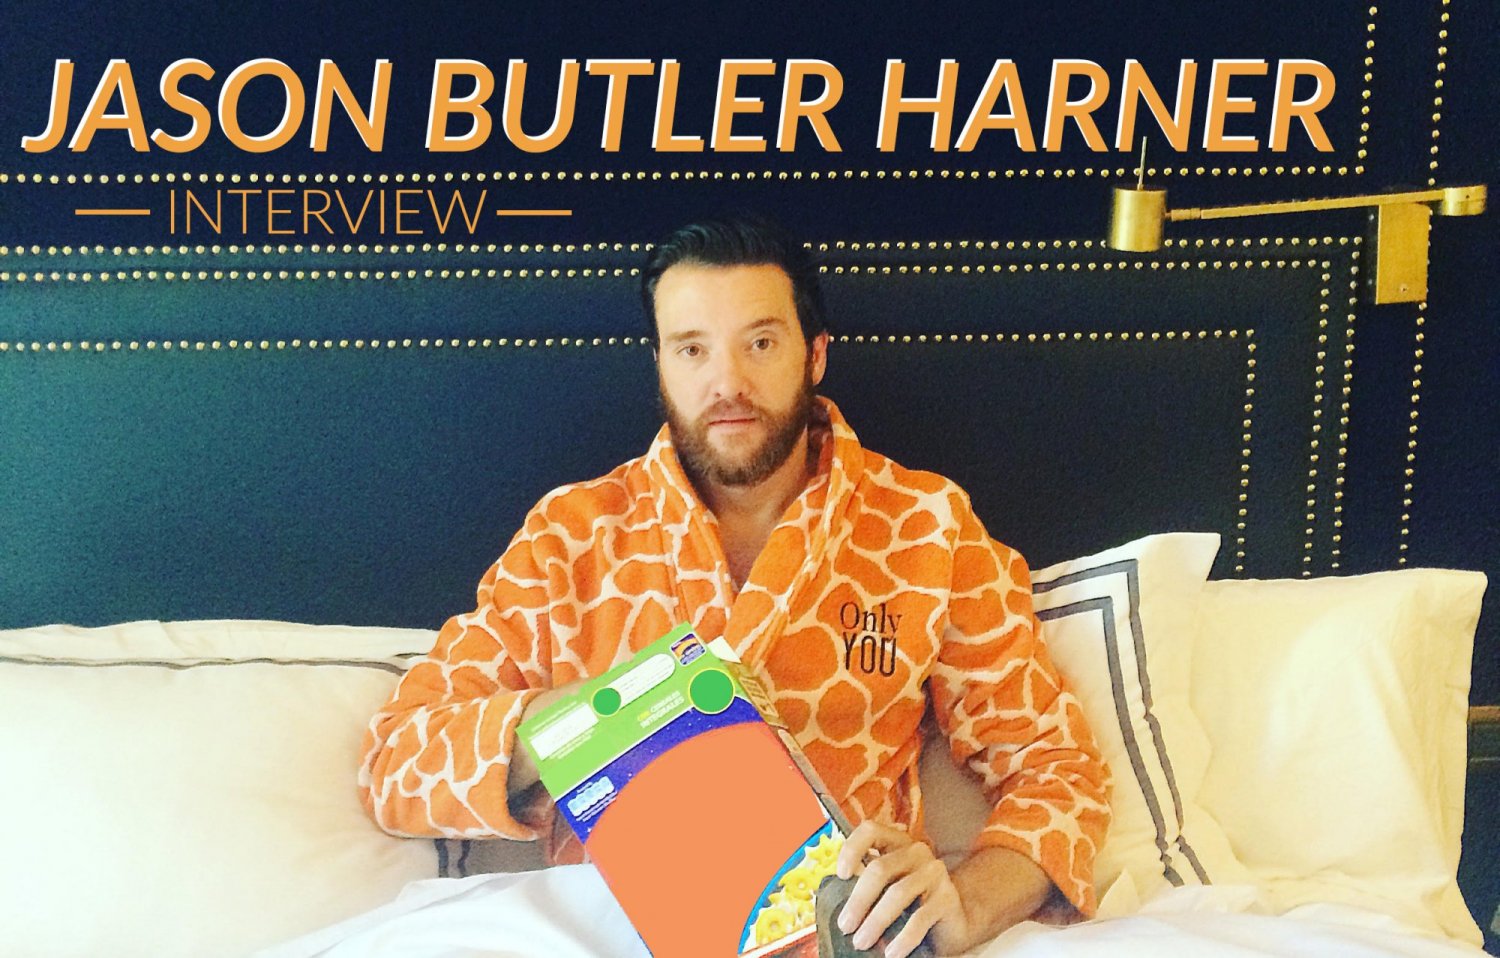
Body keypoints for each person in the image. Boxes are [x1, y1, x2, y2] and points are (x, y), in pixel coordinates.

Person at [359, 214, 1111, 957]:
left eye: (761, 343)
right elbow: (396, 762)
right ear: (660, 363)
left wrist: (967, 906)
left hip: (840, 931)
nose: (727, 384)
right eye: (692, 349)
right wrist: (600, 716)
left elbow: (1058, 768)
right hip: (606, 934)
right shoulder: (571, 538)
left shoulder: (925, 526)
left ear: (815, 354)